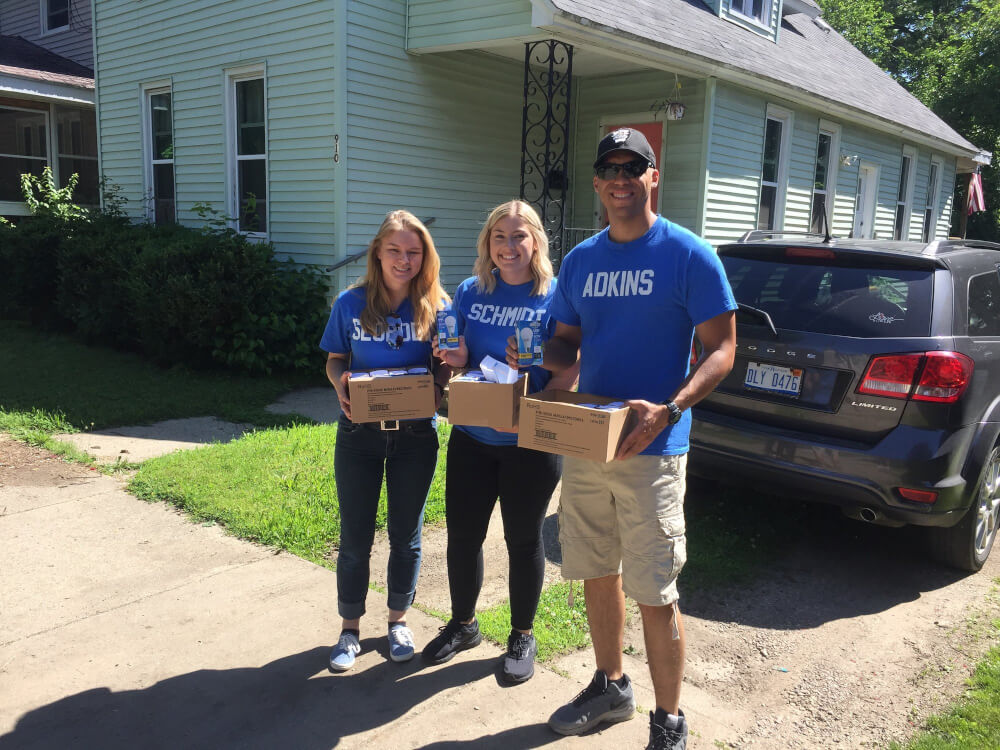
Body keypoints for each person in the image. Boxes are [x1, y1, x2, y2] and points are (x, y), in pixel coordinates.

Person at [522, 129, 736, 749]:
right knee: (594, 571)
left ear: (652, 177)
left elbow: (722, 349)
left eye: (632, 167)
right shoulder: (583, 260)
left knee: (655, 590)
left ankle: (669, 722)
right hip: (591, 441)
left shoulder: (689, 255)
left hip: (654, 449)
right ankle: (611, 685)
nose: (619, 178)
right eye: (608, 168)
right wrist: (534, 360)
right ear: (596, 182)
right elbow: (565, 339)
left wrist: (670, 409)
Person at [422, 200, 578, 684]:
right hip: (472, 435)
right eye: (499, 237)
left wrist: (539, 405)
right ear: (487, 244)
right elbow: (459, 359)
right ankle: (464, 625)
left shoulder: (556, 296)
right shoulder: (470, 292)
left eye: (519, 237)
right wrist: (453, 355)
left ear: (537, 242)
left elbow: (572, 367)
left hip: (528, 442)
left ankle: (522, 634)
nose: (509, 247)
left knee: (523, 539)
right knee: (463, 535)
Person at [320, 210, 451, 672]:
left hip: (415, 436)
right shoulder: (350, 304)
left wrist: (439, 384)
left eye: (414, 252)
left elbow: (448, 362)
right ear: (378, 251)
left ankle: (398, 620)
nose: (404, 259)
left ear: (425, 256)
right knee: (355, 535)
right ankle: (349, 629)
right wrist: (340, 386)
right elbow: (336, 360)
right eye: (394, 249)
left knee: (406, 535)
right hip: (359, 435)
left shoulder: (439, 306)